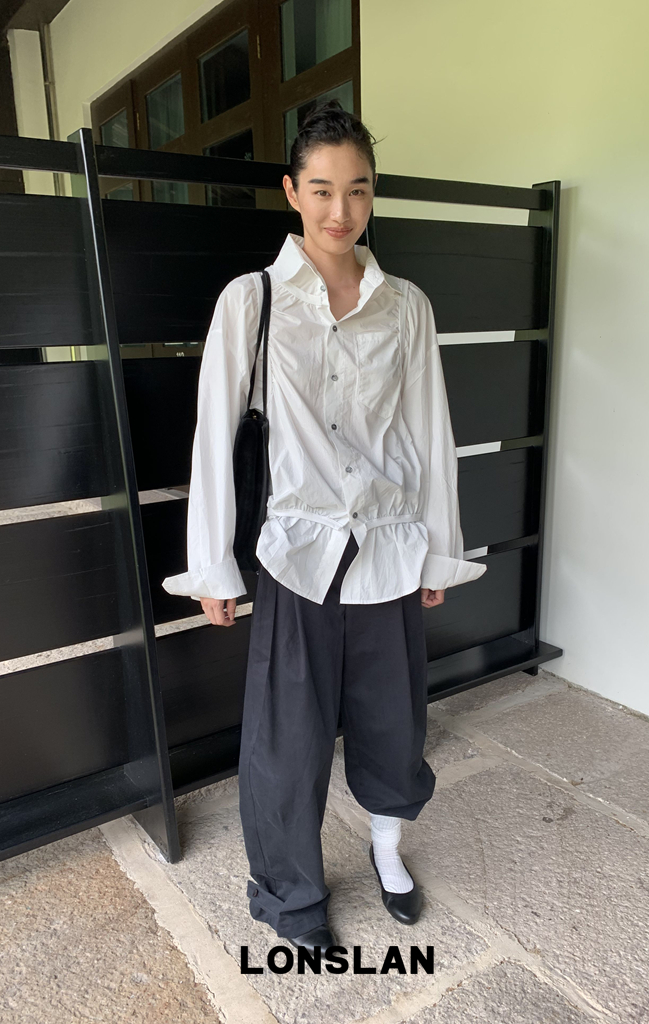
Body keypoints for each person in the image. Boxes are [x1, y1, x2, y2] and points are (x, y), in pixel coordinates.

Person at [162, 100, 486, 951]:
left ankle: (387, 850)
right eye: (322, 190)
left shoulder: (405, 306)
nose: (341, 211)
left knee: (392, 720)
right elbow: (214, 434)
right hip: (296, 550)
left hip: (388, 546)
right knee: (287, 741)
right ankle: (290, 892)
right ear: (291, 191)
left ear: (374, 193)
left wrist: (439, 550)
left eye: (359, 190)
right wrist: (212, 564)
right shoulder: (254, 300)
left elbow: (429, 433)